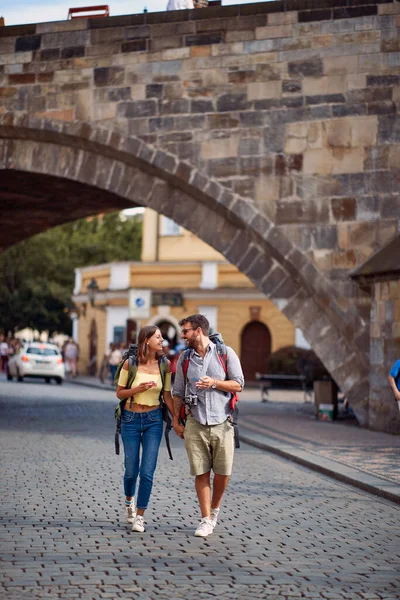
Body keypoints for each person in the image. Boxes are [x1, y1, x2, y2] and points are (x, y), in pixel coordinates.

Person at [172, 314, 244, 538]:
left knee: (223, 473)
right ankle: (205, 519)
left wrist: (214, 383)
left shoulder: (225, 353)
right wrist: (176, 420)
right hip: (195, 421)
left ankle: (215, 510)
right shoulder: (185, 358)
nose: (182, 335)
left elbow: (238, 384)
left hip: (223, 422)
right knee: (201, 472)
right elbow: (177, 393)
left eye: (186, 331)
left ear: (199, 331)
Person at [116, 325, 174, 533]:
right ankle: (129, 501)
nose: (162, 340)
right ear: (146, 340)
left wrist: (177, 419)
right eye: (158, 337)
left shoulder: (164, 365)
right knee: (131, 470)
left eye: (162, 337)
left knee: (147, 472)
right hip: (130, 419)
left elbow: (167, 395)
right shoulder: (130, 363)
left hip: (154, 419)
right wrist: (137, 389)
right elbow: (120, 393)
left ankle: (140, 517)